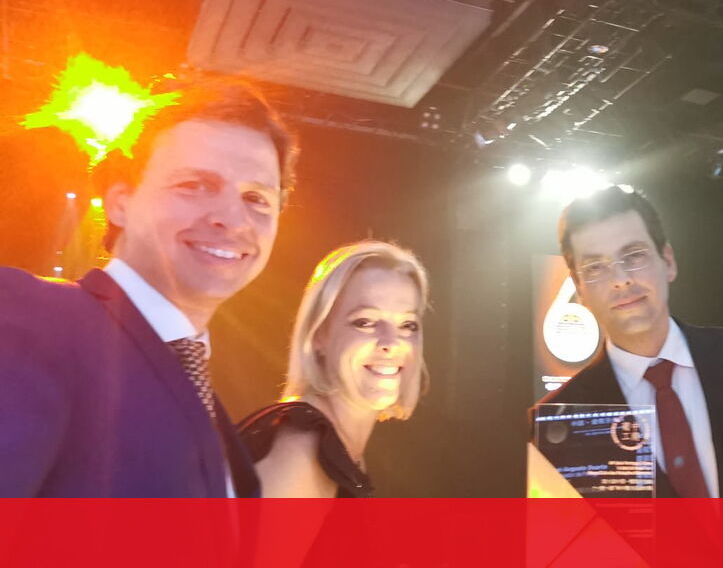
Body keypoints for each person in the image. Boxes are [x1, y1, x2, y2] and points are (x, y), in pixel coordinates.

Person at [0, 76, 296, 497]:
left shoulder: (214, 421)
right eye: (195, 185)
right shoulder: (33, 319)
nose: (233, 219)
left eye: (256, 198)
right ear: (120, 202)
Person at [536, 185, 723, 498]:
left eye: (634, 255)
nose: (621, 279)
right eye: (595, 267)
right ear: (580, 289)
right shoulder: (560, 422)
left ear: (668, 261)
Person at [238, 241, 430, 497]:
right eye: (365, 322)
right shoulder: (299, 454)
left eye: (407, 325)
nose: (391, 342)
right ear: (319, 334)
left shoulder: (336, 448)